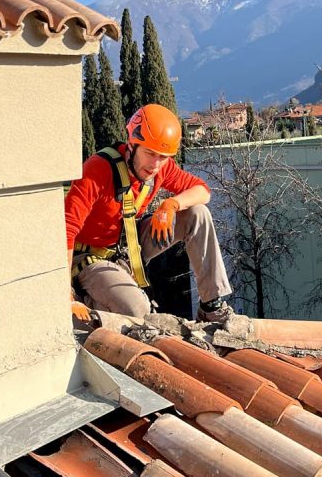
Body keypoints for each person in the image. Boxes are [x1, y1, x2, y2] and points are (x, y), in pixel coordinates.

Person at [65, 103, 233, 323]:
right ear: (131, 144)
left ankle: (211, 306)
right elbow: (66, 230)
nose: (155, 164)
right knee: (138, 311)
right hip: (89, 258)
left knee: (197, 214)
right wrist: (65, 294)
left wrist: (171, 204)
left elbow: (203, 191)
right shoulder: (98, 169)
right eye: (149, 153)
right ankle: (89, 299)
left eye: (163, 156)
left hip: (128, 245)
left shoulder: (162, 167)